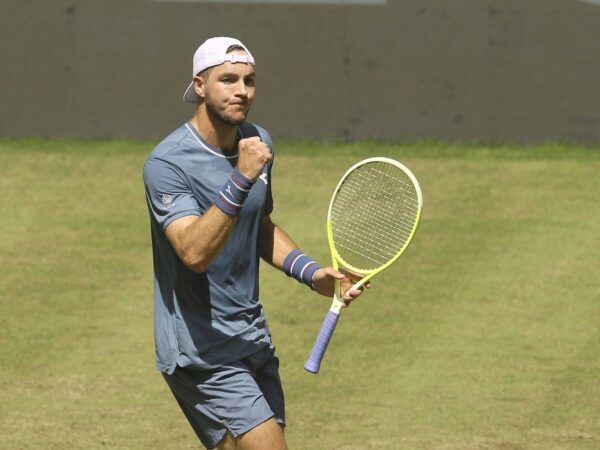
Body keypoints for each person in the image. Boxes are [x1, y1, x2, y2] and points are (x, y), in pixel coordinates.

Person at [143, 37, 366, 450]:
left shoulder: (257, 141)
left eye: (249, 80)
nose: (241, 90)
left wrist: (313, 273)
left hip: (251, 337)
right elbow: (193, 252)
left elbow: (259, 226)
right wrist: (241, 177)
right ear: (199, 85)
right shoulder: (167, 164)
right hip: (201, 349)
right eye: (227, 79)